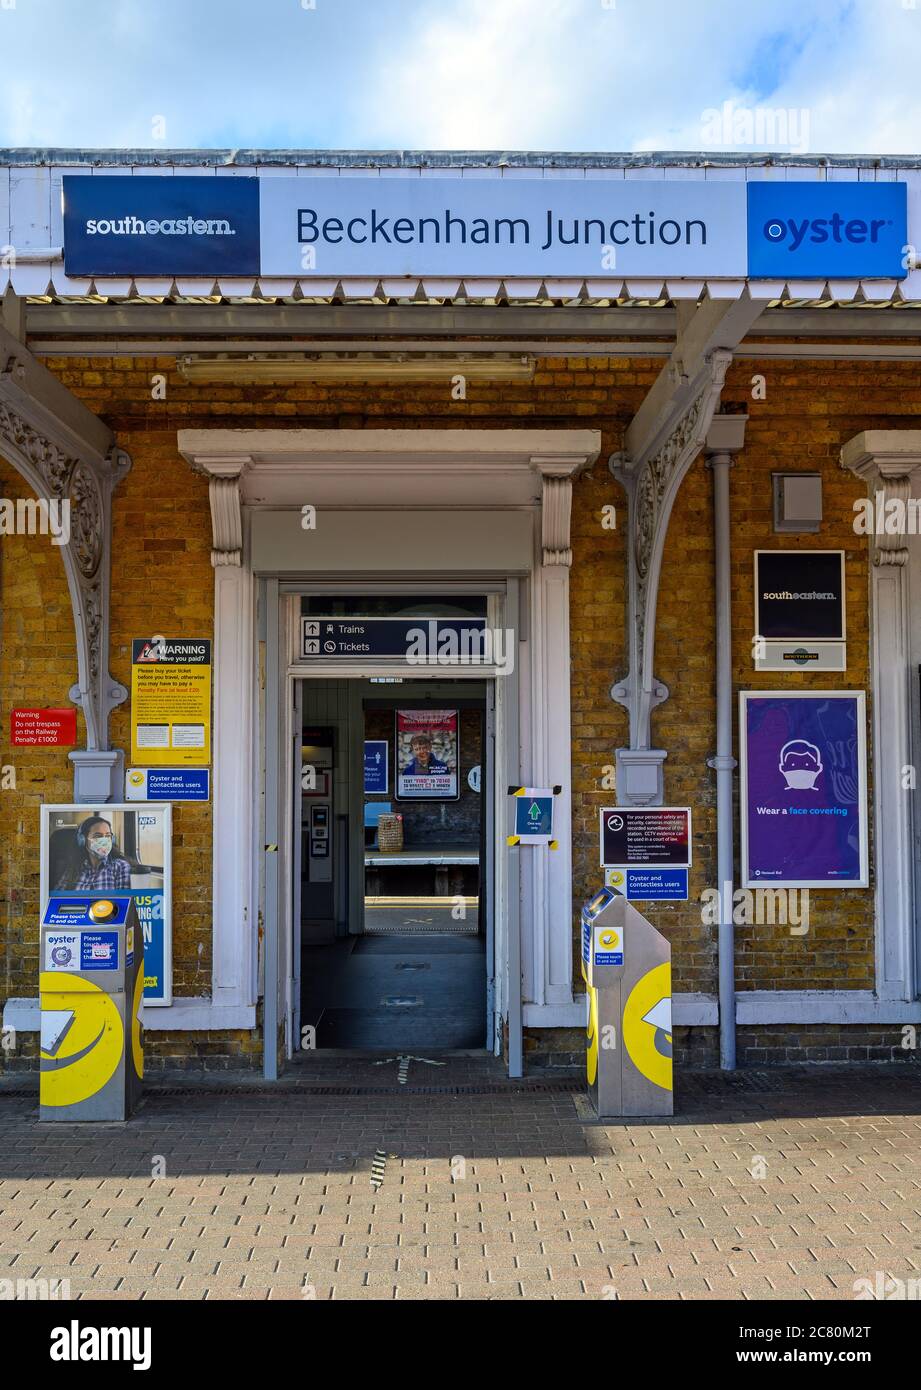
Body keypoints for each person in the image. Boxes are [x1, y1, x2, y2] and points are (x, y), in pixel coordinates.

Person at [56, 816, 131, 891]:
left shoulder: (120, 867)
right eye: (98, 836)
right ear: (83, 840)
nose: (104, 840)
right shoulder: (73, 869)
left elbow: (125, 901)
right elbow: (57, 899)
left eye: (108, 836)